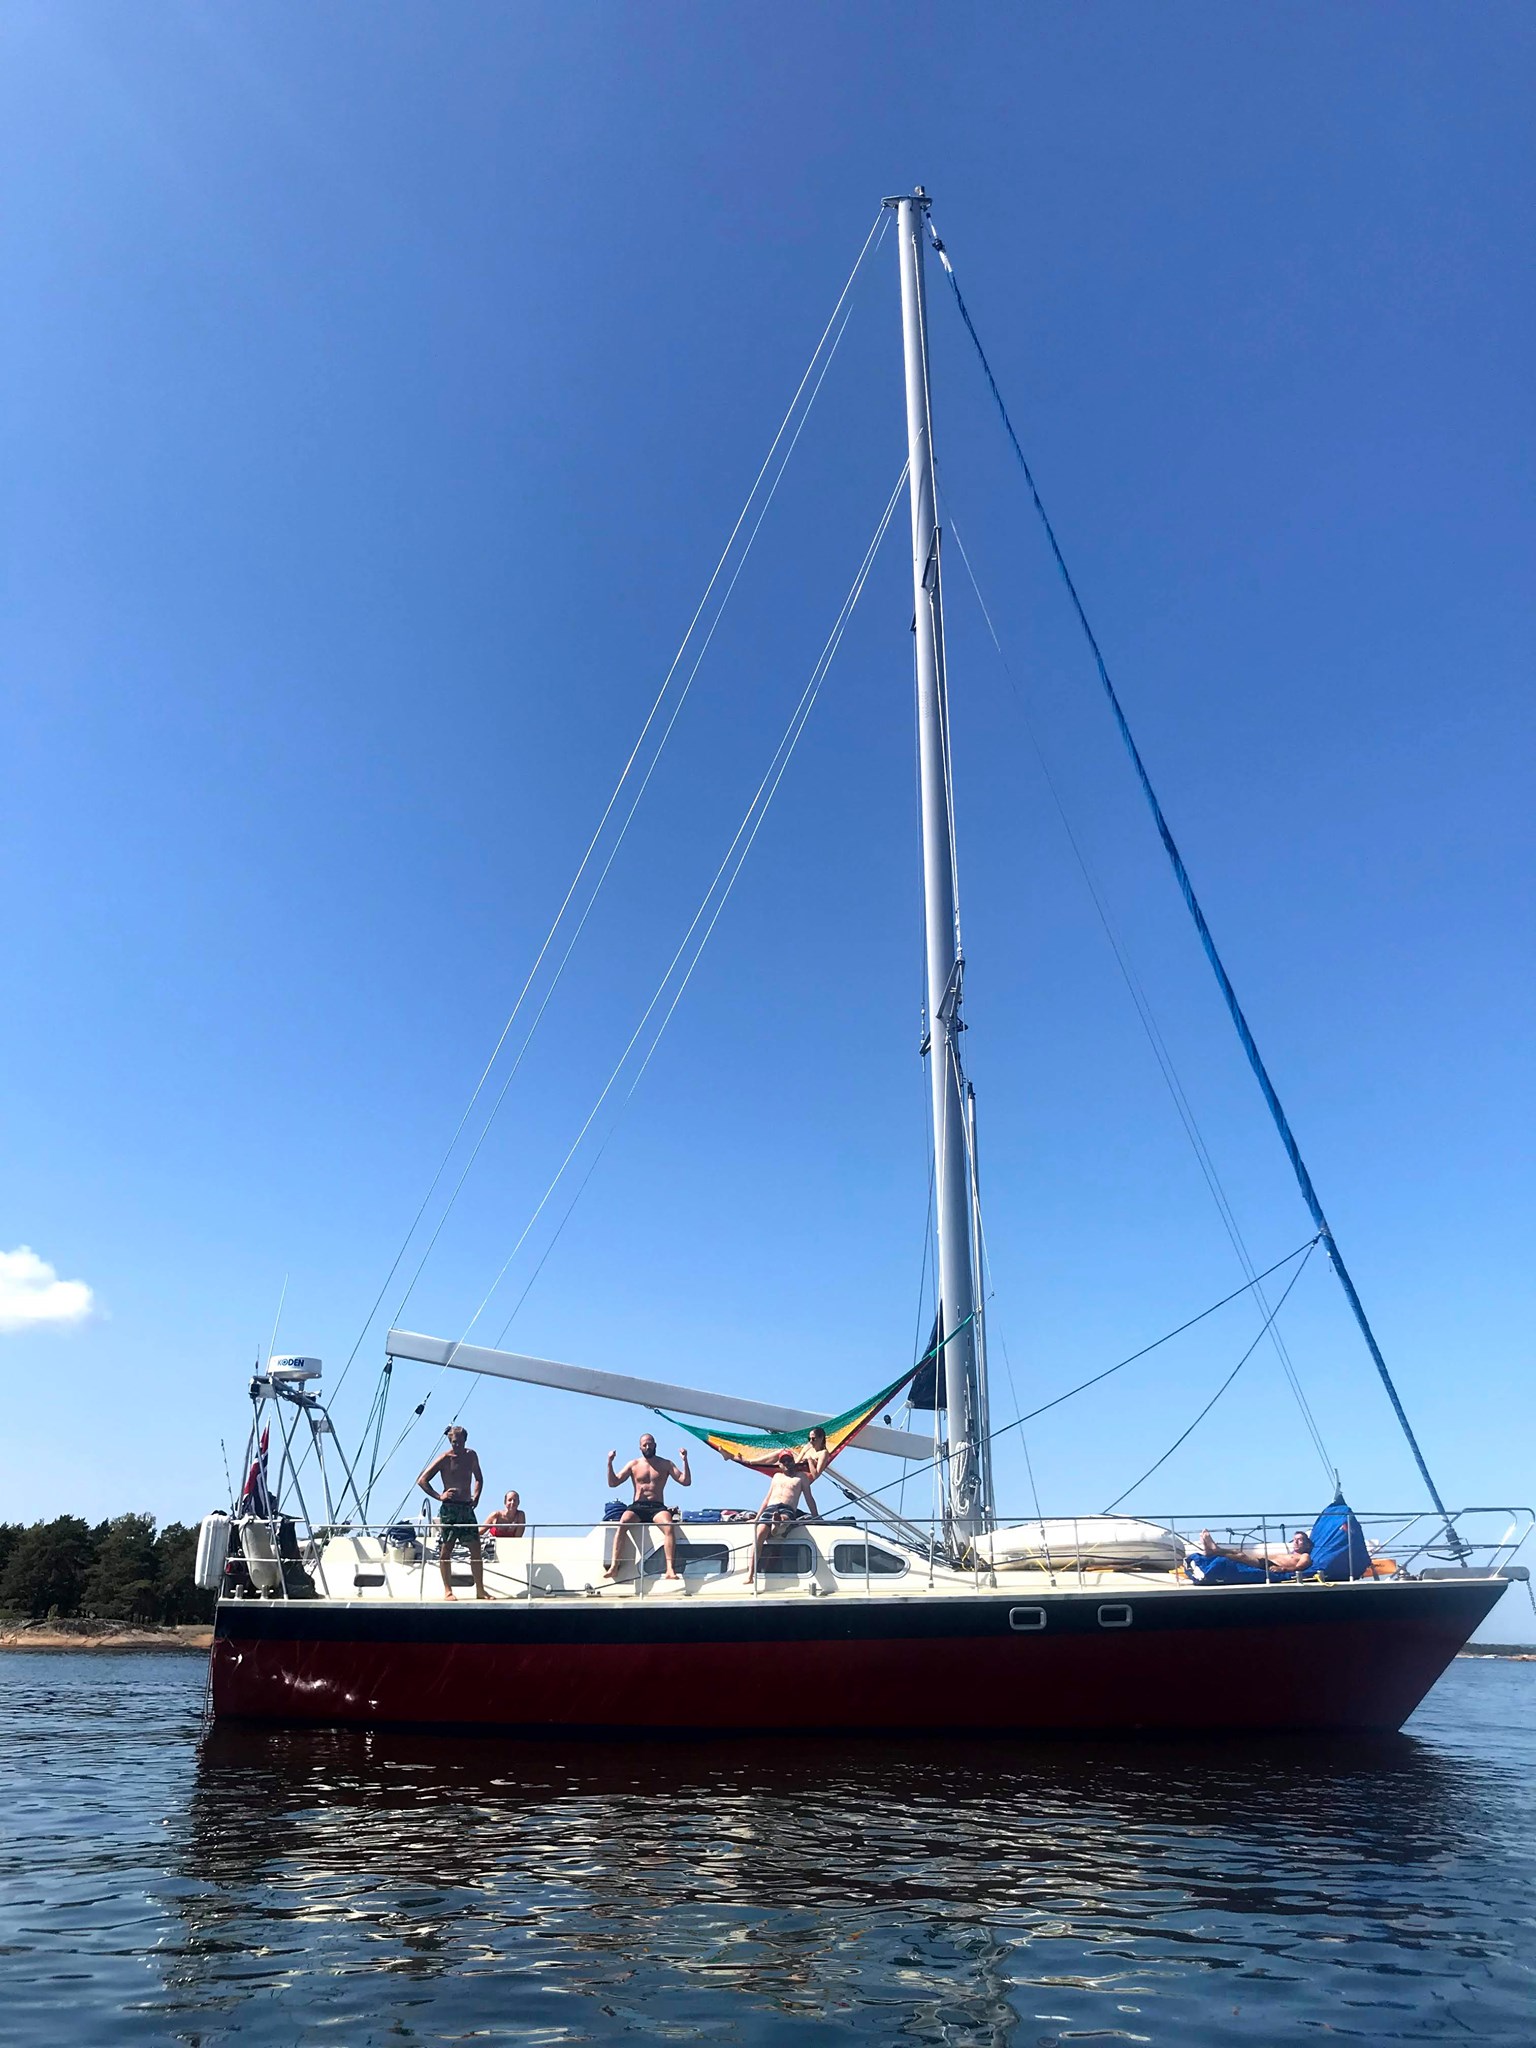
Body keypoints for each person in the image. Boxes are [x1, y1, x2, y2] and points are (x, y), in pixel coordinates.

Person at [603, 1433, 691, 1581]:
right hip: (638, 1506)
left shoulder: (666, 1464)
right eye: (645, 1444)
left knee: (668, 1526)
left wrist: (685, 1460)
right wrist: (610, 1462)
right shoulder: (634, 1464)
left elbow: (685, 1481)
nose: (648, 1446)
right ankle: (614, 1566)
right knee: (622, 1523)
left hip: (657, 1506)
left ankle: (670, 1569)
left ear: (655, 1445)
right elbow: (613, 1483)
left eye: (650, 1444)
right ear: (640, 1447)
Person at [416, 1424, 489, 1600]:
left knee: (475, 1548)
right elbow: (422, 1480)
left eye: (460, 1442)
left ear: (465, 1440)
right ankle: (448, 1590)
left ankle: (480, 1589)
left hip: (466, 1507)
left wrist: (476, 1496)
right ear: (450, 1441)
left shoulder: (471, 1455)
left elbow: (479, 1478)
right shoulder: (444, 1458)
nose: (457, 1445)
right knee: (446, 1549)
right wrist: (439, 1496)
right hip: (450, 1509)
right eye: (454, 1442)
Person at [746, 1451, 816, 1584]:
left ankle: (777, 1526)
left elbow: (809, 1498)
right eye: (784, 1461)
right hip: (771, 1508)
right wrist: (757, 1518)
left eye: (789, 1460)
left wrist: (816, 1516)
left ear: (793, 1461)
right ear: (780, 1465)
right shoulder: (776, 1477)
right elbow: (766, 1499)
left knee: (784, 1519)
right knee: (759, 1535)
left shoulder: (801, 1477)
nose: (787, 1464)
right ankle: (750, 1574)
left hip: (787, 1508)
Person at [1197, 1527, 1311, 1571]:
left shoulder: (1304, 1556)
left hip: (1270, 1566)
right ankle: (1212, 1551)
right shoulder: (1290, 1553)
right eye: (1294, 1539)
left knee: (1240, 1556)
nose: (1295, 1542)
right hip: (1266, 1562)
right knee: (1238, 1553)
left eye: (1300, 1540)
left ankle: (1215, 1550)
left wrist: (1282, 1569)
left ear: (1306, 1544)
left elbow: (1299, 1567)